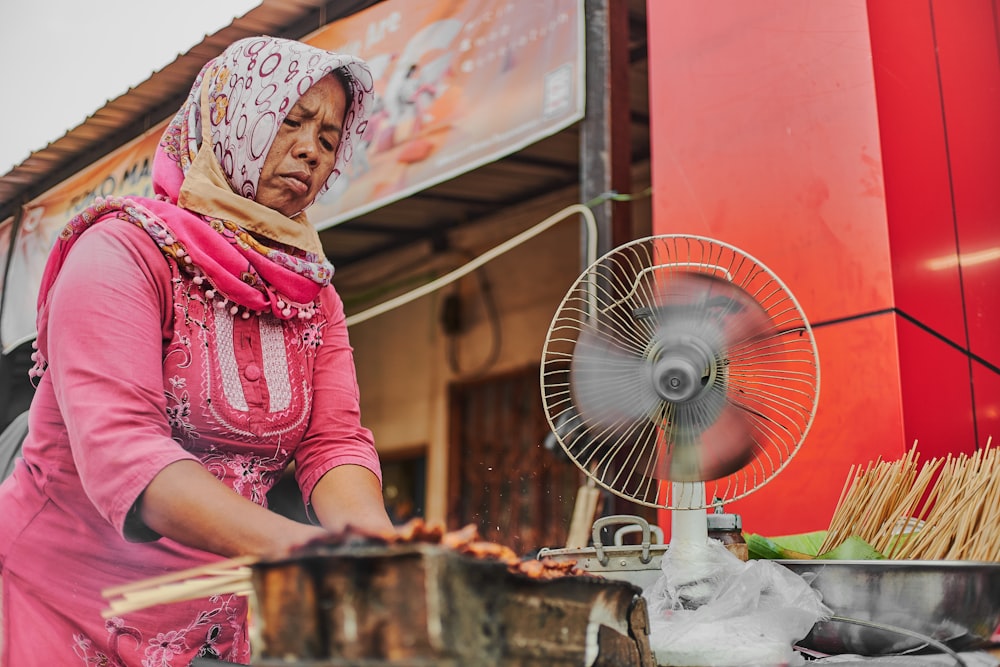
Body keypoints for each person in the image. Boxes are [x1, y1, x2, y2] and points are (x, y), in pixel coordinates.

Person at [0, 35, 394, 666]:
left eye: (327, 137)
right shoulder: (122, 252)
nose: (309, 152)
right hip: (61, 602)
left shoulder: (311, 294)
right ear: (229, 122)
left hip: (207, 621)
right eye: (289, 120)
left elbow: (333, 442)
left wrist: (381, 550)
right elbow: (128, 453)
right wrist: (309, 553)